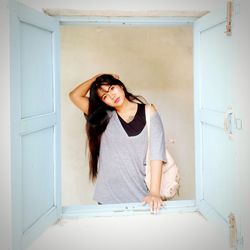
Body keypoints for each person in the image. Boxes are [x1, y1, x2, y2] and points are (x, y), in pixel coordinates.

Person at [69, 74, 167, 213]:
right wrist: (96, 80)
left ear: (120, 86)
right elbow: (74, 96)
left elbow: (157, 154)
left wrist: (155, 193)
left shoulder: (148, 112)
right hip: (108, 197)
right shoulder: (104, 116)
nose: (111, 96)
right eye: (105, 96)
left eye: (112, 88)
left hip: (141, 197)